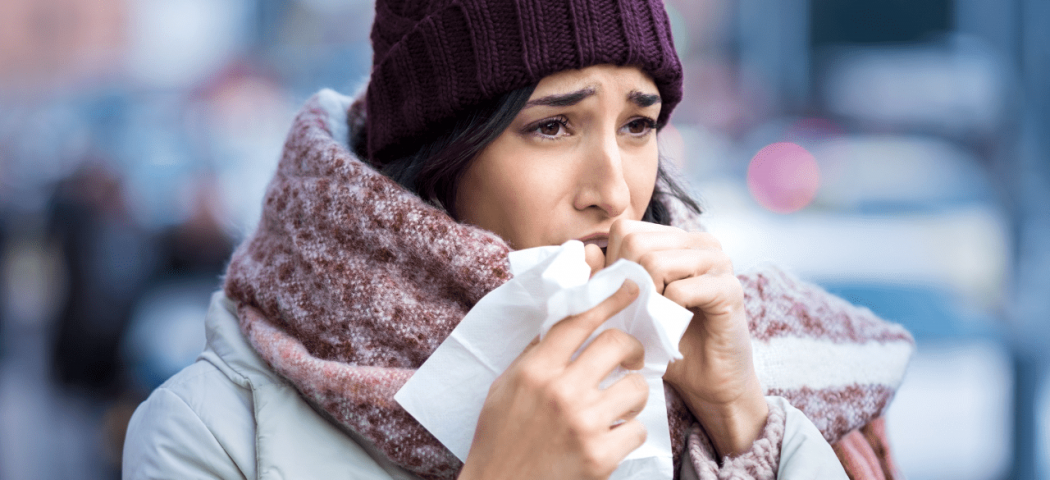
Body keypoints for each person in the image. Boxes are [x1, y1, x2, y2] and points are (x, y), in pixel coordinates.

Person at [123, 1, 913, 479]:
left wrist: (747, 422)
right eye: (552, 126)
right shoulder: (214, 433)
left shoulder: (748, 365)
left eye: (638, 124)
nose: (612, 186)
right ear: (441, 156)